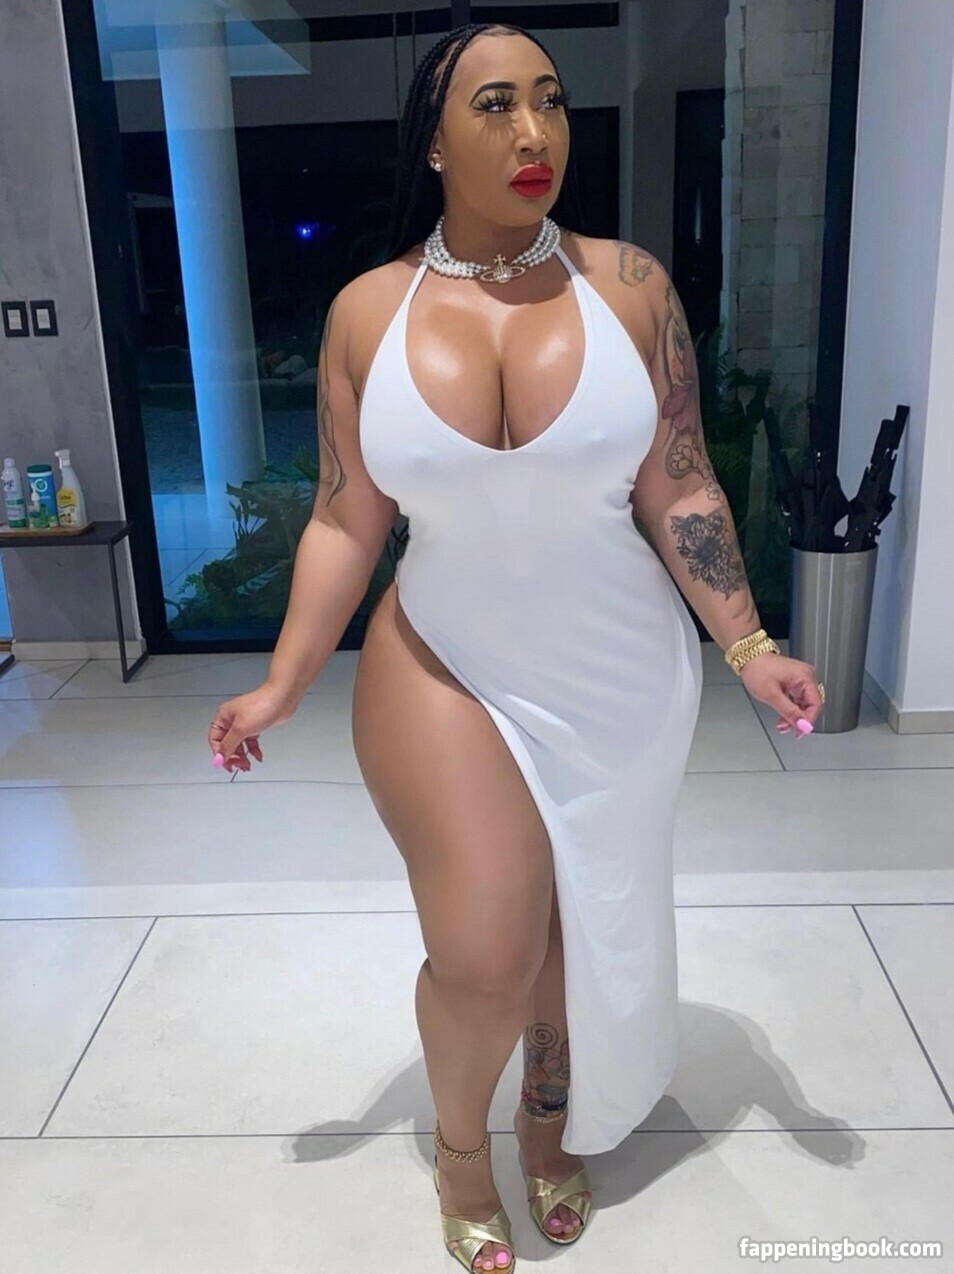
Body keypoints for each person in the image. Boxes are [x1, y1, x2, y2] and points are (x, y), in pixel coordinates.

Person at [207, 22, 825, 1273]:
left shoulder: (630, 288)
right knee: (489, 950)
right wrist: (282, 678)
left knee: (576, 936)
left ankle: (548, 1127)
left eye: (550, 100)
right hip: (440, 658)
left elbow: (683, 485)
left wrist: (749, 640)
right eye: (494, 105)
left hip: (618, 673)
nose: (534, 132)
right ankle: (458, 1149)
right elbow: (343, 516)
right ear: (434, 141)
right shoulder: (367, 312)